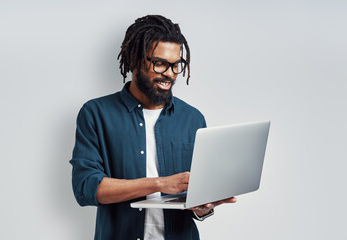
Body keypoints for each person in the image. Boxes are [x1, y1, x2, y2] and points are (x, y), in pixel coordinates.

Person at [70, 15, 236, 240]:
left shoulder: (193, 119)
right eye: (160, 63)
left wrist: (204, 206)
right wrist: (160, 184)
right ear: (134, 60)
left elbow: (196, 200)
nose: (169, 73)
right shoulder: (96, 113)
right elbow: (86, 187)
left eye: (176, 65)